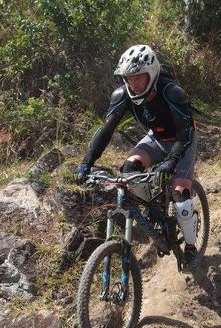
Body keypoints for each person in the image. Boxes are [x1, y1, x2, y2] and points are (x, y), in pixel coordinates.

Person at [75, 44, 199, 266]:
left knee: (181, 198)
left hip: (183, 140)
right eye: (128, 77)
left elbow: (186, 133)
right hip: (157, 138)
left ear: (151, 74)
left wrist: (170, 162)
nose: (133, 83)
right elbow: (106, 130)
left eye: (138, 77)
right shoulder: (123, 95)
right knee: (129, 171)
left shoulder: (172, 92)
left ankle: (190, 247)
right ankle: (155, 207)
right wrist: (87, 162)